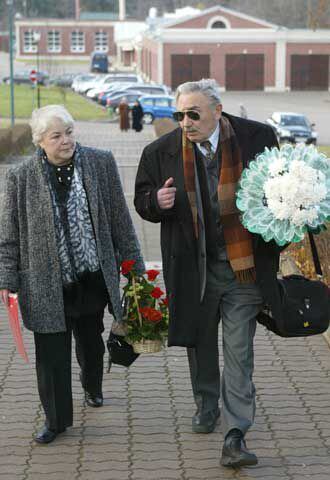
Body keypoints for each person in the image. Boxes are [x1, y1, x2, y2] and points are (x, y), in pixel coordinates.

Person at [134, 79, 281, 468]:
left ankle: (235, 433)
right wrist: (157, 202)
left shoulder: (258, 139)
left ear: (217, 110)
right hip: (193, 267)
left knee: (239, 350)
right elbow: (142, 199)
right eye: (178, 114)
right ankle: (205, 401)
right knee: (200, 342)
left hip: (243, 268)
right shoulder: (159, 152)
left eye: (193, 113)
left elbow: (281, 194)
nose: (185, 122)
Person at [0, 105, 144, 444]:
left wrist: (136, 269)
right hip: (45, 283)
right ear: (40, 142)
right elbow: (9, 235)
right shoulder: (20, 178)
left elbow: (120, 221)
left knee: (92, 343)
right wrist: (6, 280)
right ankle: (56, 419)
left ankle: (92, 384)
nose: (66, 141)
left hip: (92, 277)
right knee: (51, 356)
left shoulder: (100, 162)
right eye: (56, 136)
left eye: (69, 133)